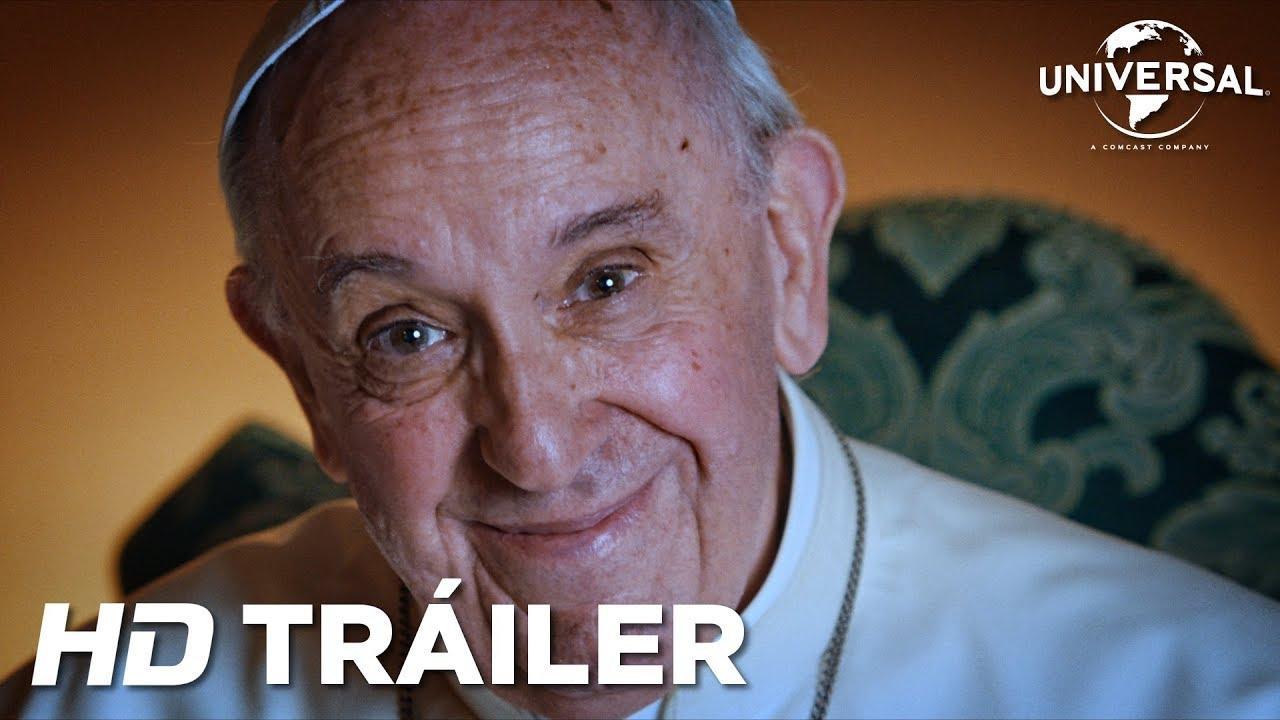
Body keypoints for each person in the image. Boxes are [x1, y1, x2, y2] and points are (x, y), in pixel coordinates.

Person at [3, 1, 1278, 718]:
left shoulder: (1206, 695)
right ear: (302, 379)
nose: (534, 447)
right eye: (406, 333)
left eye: (606, 281)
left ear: (785, 251)